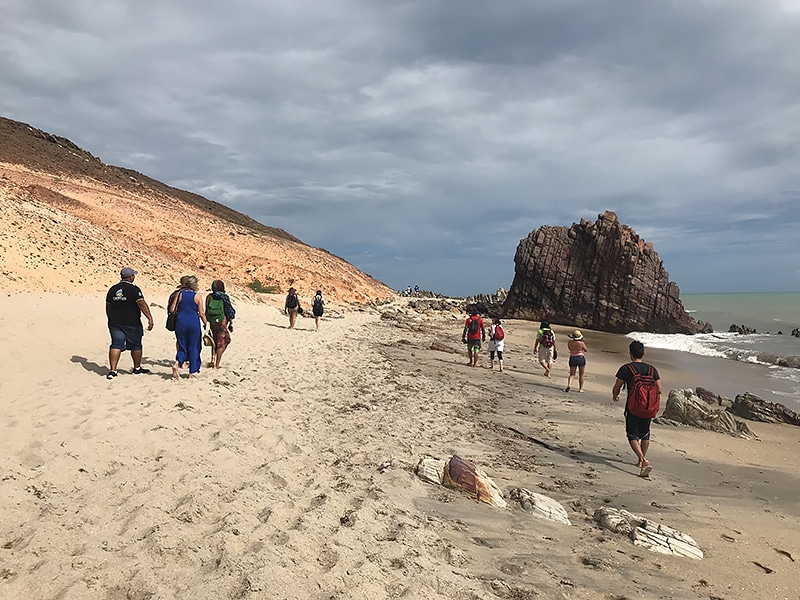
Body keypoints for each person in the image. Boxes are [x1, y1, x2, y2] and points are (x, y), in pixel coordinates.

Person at [612, 341, 662, 478]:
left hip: (633, 407)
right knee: (645, 433)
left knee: (632, 434)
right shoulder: (652, 370)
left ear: (630, 354)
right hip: (649, 407)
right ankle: (640, 461)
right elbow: (660, 389)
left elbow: (617, 386)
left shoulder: (626, 369)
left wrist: (615, 395)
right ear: (643, 353)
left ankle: (644, 460)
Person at [105, 267, 154, 379]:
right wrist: (149, 317)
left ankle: (113, 370)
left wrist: (110, 318)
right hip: (132, 322)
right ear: (131, 277)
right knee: (136, 344)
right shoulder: (134, 289)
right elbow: (141, 303)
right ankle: (137, 367)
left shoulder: (113, 289)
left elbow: (108, 306)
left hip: (115, 322)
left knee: (116, 344)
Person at [170, 275, 207, 379]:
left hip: (180, 321)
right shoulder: (197, 296)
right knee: (194, 346)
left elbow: (172, 309)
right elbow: (202, 313)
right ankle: (191, 372)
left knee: (182, 345)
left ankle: (177, 364)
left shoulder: (179, 294)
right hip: (193, 322)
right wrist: (206, 324)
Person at [205, 279, 235, 368]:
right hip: (221, 321)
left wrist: (206, 322)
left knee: (213, 340)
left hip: (211, 321)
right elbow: (229, 311)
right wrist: (231, 323)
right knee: (223, 341)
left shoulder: (209, 297)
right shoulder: (224, 297)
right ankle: (217, 364)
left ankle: (212, 360)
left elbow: (206, 310)